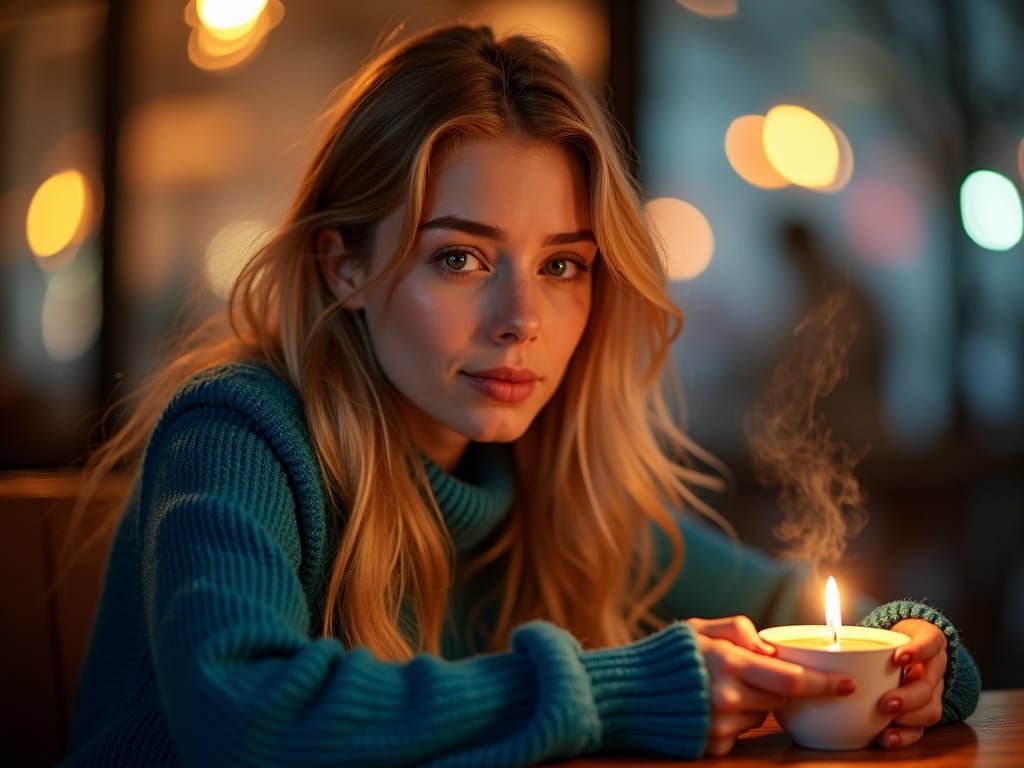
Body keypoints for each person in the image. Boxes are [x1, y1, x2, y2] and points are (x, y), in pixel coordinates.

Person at [60, 23, 979, 766]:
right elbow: (247, 718)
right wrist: (617, 692)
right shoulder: (239, 433)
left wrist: (913, 657)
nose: (521, 319)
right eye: (459, 257)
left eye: (563, 265)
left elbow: (806, 613)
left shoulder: (544, 477)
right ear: (344, 264)